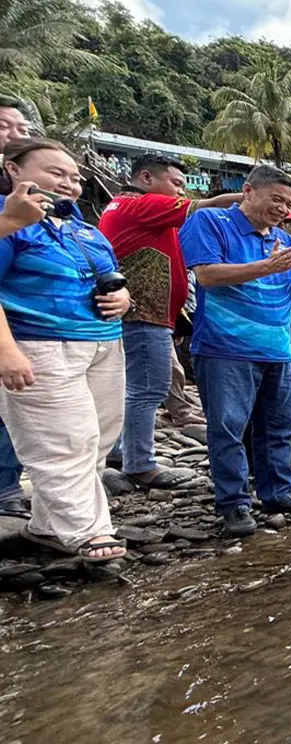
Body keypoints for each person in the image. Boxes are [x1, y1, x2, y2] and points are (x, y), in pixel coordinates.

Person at [179, 165, 291, 537]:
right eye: (276, 199)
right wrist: (267, 266)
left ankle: (277, 492)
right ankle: (233, 504)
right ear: (248, 191)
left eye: (289, 203)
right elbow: (207, 275)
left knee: (280, 425)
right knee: (229, 427)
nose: (282, 208)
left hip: (277, 348)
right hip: (224, 348)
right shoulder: (212, 222)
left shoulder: (283, 240)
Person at [0, 138, 132, 561]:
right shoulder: (7, 221)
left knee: (97, 439)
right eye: (56, 173)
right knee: (62, 441)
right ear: (14, 170)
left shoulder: (84, 229)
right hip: (39, 342)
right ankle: (88, 532)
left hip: (101, 344)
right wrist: (7, 351)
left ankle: (48, 526)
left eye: (75, 177)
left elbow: (112, 276)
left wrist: (123, 298)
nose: (70, 184)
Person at [98, 152, 240, 489]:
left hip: (142, 312)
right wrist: (249, 195)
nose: (181, 192)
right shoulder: (141, 205)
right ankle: (140, 464)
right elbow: (206, 205)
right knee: (148, 389)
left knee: (130, 387)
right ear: (146, 178)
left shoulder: (124, 207)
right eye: (176, 183)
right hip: (144, 314)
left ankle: (119, 451)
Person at [0, 98, 32, 520]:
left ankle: (8, 487)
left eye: (22, 128)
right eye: (5, 127)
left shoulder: (30, 202)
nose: (17, 136)